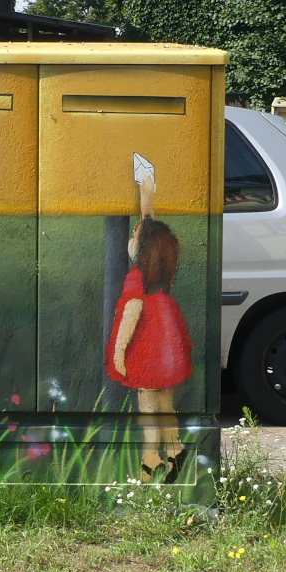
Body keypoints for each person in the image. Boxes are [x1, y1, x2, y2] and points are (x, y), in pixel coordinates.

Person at [106, 153, 193, 482]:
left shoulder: (136, 278)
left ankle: (149, 458)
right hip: (168, 338)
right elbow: (151, 228)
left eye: (134, 238)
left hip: (145, 343)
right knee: (165, 400)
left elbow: (131, 312)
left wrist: (118, 350)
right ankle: (175, 450)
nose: (130, 240)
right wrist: (147, 195)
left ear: (141, 249)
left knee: (146, 403)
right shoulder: (161, 268)